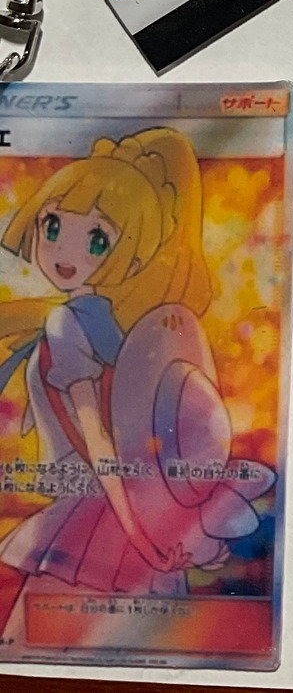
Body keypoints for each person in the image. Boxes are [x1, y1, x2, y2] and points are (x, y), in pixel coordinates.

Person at [0, 128, 212, 625]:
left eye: (97, 239)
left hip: (98, 511)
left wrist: (138, 533)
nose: (64, 252)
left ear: (133, 258)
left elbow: (99, 441)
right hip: (121, 507)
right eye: (53, 225)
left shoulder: (68, 324)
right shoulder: (115, 330)